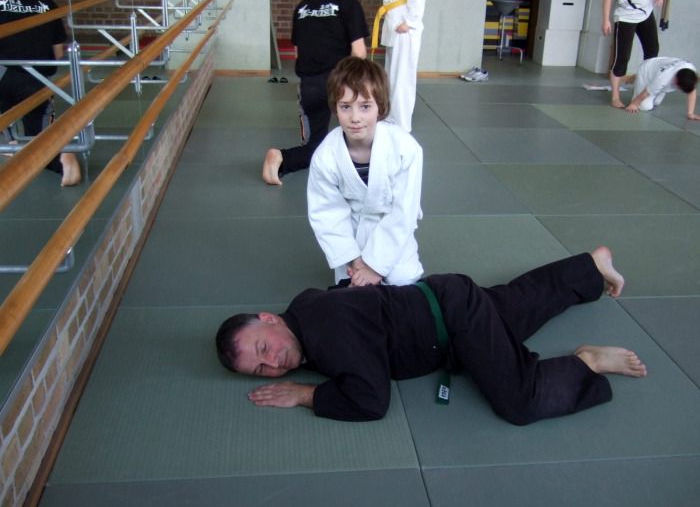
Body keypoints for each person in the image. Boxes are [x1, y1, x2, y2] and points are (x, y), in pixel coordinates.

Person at [215, 246, 648, 425]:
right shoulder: (303, 308)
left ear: (268, 319)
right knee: (516, 309)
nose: (273, 363)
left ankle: (585, 362)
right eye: (261, 369)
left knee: (519, 400)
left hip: (454, 321)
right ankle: (590, 268)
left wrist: (305, 395)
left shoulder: (325, 334)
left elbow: (372, 400)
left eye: (263, 347)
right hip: (446, 297)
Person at [307, 56, 423, 287]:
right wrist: (355, 259)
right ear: (335, 107)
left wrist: (375, 266)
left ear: (380, 106)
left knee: (403, 280)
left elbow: (404, 210)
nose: (355, 118)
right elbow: (327, 212)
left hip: (394, 230)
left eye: (365, 106)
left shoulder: (405, 148)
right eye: (345, 107)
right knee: (351, 289)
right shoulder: (326, 156)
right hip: (351, 234)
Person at [262, 0, 368, 186]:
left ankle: (281, 157)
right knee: (361, 134)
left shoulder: (303, 7)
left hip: (309, 86)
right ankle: (358, 170)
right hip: (341, 84)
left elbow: (299, 52)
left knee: (314, 148)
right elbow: (359, 52)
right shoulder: (349, 5)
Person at [0, 0, 81, 186]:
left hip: (4, 73)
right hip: (38, 77)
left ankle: (10, 143)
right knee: (39, 136)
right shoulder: (46, 2)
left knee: (3, 116)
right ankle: (62, 158)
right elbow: (58, 52)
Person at [602, 0, 663, 109]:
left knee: (652, 51)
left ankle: (644, 90)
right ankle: (615, 97)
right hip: (626, 17)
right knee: (622, 58)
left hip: (646, 14)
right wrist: (606, 20)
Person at [380, 0, 426, 133]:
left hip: (405, 31)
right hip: (394, 25)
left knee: (402, 77)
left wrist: (410, 22)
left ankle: (401, 123)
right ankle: (390, 116)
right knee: (391, 76)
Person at [621, 56, 700, 120]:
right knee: (644, 106)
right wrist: (634, 104)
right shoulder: (663, 78)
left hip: (658, 70)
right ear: (676, 81)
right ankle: (637, 77)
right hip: (647, 70)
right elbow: (646, 93)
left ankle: (639, 79)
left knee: (656, 103)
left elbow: (691, 91)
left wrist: (690, 113)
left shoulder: (691, 73)